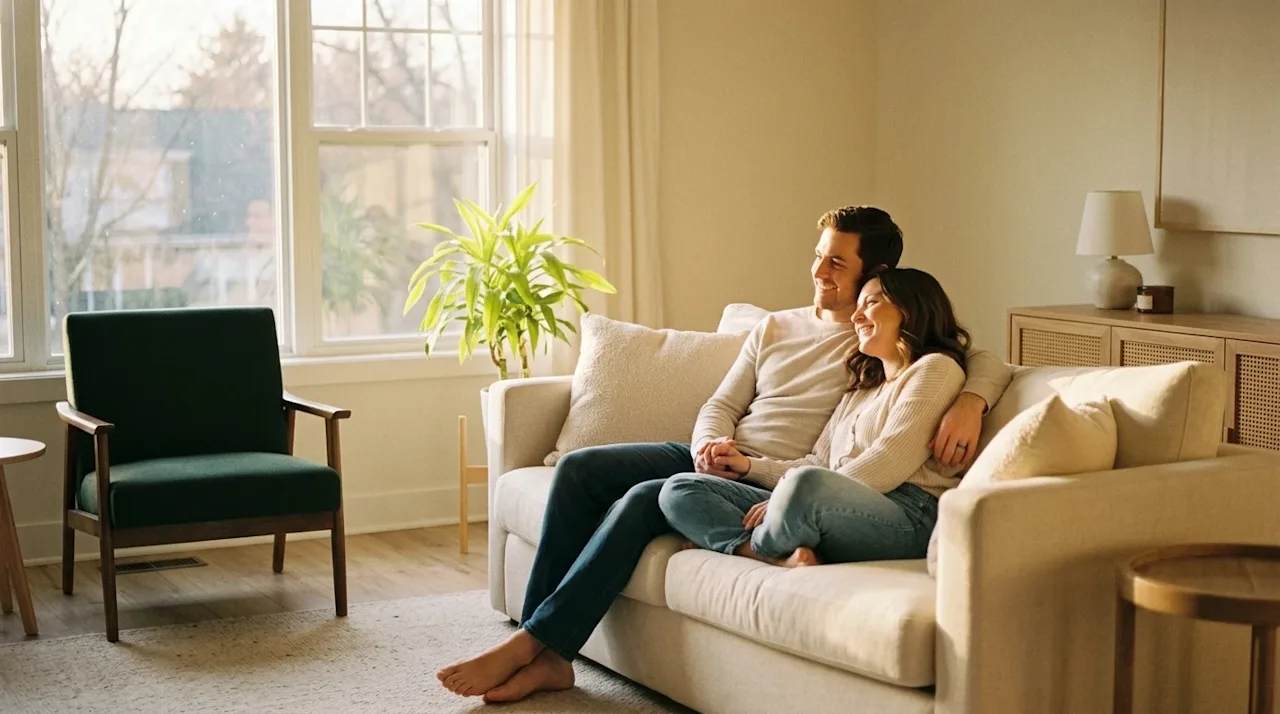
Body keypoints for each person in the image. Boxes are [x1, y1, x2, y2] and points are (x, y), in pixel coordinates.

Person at [437, 206, 1013, 703]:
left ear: (880, 278)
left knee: (644, 500)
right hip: (731, 460)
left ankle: (537, 645)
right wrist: (707, 447)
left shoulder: (872, 344)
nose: (818, 271)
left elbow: (969, 356)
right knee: (582, 468)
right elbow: (721, 401)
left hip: (781, 480)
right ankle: (544, 647)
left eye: (837, 262)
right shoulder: (780, 328)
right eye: (819, 256)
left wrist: (972, 398)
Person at [659, 268, 967, 566]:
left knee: (804, 485)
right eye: (857, 306)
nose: (857, 317)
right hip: (831, 502)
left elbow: (889, 461)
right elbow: (818, 462)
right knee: (680, 488)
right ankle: (771, 554)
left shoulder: (935, 369)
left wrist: (791, 497)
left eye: (871, 303)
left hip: (909, 515)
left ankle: (737, 545)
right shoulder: (861, 389)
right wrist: (748, 466)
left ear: (911, 308)